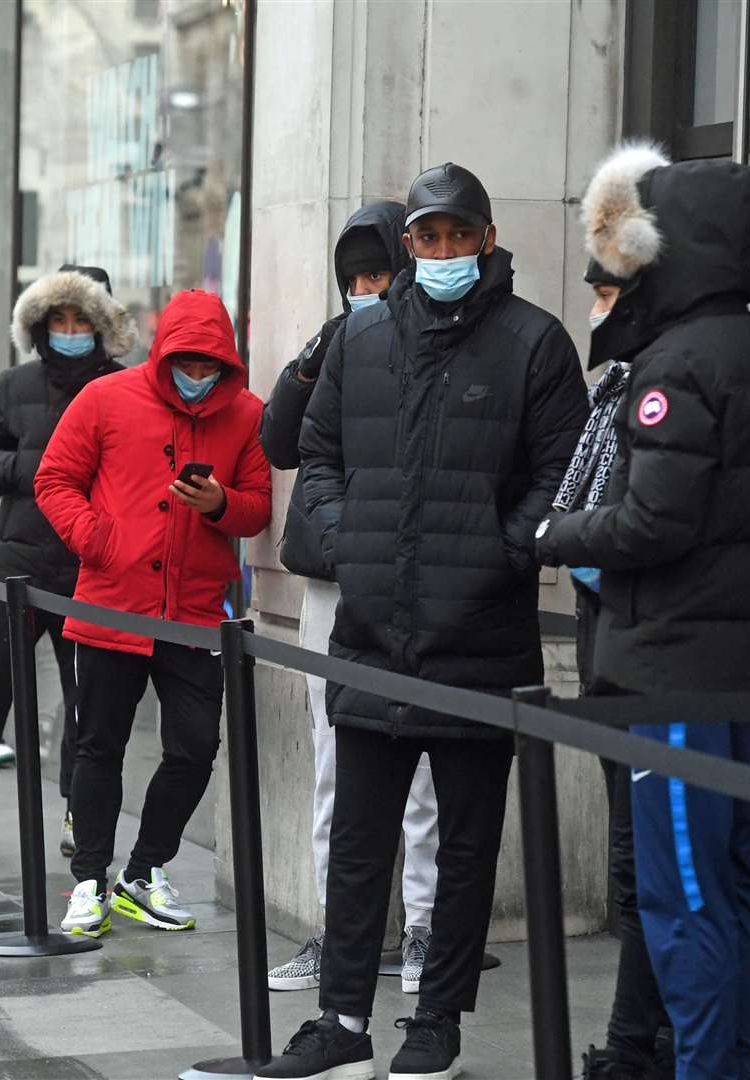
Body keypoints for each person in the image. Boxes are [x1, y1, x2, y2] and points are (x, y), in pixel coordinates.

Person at [259, 162, 587, 1080]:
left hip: (479, 634)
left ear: (485, 238)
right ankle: (341, 1019)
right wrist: (344, 540)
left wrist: (498, 552)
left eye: (457, 235)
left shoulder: (534, 342)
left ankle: (436, 1018)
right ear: (409, 245)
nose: (441, 251)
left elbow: (559, 474)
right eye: (426, 237)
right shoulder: (363, 341)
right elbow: (315, 454)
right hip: (370, 626)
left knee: (464, 848)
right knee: (359, 840)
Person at [536, 145, 750, 1080]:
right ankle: (725, 1065)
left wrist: (559, 532)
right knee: (726, 893)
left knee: (682, 896)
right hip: (741, 669)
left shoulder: (679, 363)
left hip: (679, 671)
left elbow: (655, 520)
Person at [35, 288, 271, 937]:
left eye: (210, 366)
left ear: (227, 363)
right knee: (99, 746)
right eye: (187, 363)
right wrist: (98, 539)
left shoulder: (246, 415)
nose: (198, 377)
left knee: (196, 747)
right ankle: (88, 880)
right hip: (114, 602)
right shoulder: (106, 398)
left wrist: (220, 502)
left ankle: (143, 872)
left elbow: (257, 507)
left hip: (194, 612)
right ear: (164, 353)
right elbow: (54, 479)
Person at [259, 202, 443, 996]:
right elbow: (280, 442)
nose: (367, 289)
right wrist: (315, 356)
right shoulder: (336, 343)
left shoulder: (449, 341)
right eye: (355, 279)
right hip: (335, 579)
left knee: (426, 776)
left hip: (429, 581)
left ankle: (425, 930)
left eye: (380, 274)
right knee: (337, 763)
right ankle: (343, 936)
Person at [0, 264, 133, 864]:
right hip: (13, 554)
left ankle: (80, 807)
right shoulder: (15, 383)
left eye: (81, 320)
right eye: (59, 320)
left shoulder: (125, 386)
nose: (69, 330)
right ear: (41, 325)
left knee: (86, 694)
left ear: (100, 325)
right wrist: (39, 471)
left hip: (89, 560)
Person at [557, 259, 675, 1080]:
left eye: (606, 293)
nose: (595, 309)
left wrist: (567, 541)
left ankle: (641, 1046)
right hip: (610, 655)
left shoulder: (664, 383)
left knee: (651, 875)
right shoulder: (614, 385)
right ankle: (643, 1040)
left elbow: (635, 527)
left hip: (651, 660)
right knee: (637, 871)